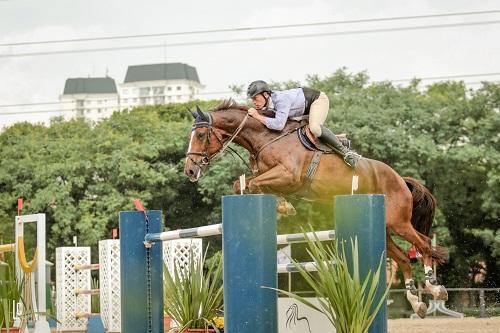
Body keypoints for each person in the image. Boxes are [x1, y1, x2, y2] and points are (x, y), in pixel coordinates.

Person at [246, 80, 361, 167]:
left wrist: (257, 116)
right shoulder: (268, 104)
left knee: (315, 128)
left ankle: (347, 153)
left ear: (266, 95)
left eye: (255, 98)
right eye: (252, 99)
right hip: (301, 111)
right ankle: (340, 140)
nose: (254, 102)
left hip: (317, 101)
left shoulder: (281, 99)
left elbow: (279, 125)